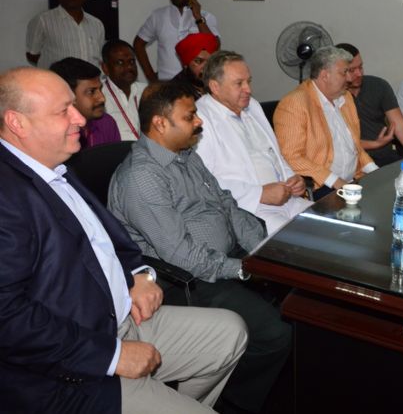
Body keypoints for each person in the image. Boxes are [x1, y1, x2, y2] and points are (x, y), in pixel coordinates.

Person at [0, 67, 247, 414]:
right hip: (68, 365)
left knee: (230, 333)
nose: (80, 119)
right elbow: (8, 317)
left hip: (120, 318)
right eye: (63, 111)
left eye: (74, 106)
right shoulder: (7, 195)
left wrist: (139, 274)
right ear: (17, 122)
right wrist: (112, 356)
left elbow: (110, 239)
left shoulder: (55, 166)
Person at [108, 82, 291, 414]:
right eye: (189, 116)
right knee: (275, 333)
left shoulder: (186, 155)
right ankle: (232, 399)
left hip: (224, 259)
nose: (199, 121)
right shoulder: (142, 177)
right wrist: (244, 269)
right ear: (160, 123)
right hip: (186, 280)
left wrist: (262, 251)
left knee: (298, 303)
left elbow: (227, 205)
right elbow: (181, 254)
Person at [195, 50, 312, 237]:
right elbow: (204, 183)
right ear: (215, 87)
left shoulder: (252, 106)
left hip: (288, 199)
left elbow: (274, 155)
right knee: (301, 241)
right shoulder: (200, 119)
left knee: (331, 227)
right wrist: (259, 193)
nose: (248, 89)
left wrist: (293, 178)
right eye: (239, 83)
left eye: (248, 81)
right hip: (248, 209)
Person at [274, 46, 378, 200]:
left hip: (352, 181)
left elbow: (355, 147)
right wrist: (336, 182)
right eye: (344, 73)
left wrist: (376, 172)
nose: (349, 78)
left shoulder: (345, 98)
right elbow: (291, 156)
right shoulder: (295, 103)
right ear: (324, 75)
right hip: (321, 188)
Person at [336, 42, 403, 166]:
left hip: (383, 156)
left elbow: (399, 125)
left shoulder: (379, 86)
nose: (359, 74)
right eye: (352, 70)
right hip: (351, 161)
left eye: (361, 67)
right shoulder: (333, 95)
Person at [134, 0, 220, 82]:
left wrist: (198, 17)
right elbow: (138, 44)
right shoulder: (158, 15)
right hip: (166, 84)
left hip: (197, 84)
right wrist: (151, 76)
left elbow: (215, 46)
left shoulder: (206, 17)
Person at [26, 0, 105, 69]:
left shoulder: (97, 24)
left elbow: (99, 56)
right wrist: (54, 71)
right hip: (56, 78)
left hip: (90, 78)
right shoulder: (42, 21)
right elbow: (32, 55)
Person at [49, 57, 121, 149]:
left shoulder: (106, 123)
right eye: (91, 92)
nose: (102, 98)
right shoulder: (54, 133)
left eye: (100, 89)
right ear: (67, 95)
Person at [101, 40, 148, 141]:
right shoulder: (99, 96)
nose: (129, 67)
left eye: (132, 61)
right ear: (105, 68)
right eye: (120, 62)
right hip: (116, 150)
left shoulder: (147, 91)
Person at [171, 32, 219, 99]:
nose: (206, 67)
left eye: (210, 61)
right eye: (198, 61)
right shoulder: (175, 93)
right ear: (185, 65)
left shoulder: (219, 83)